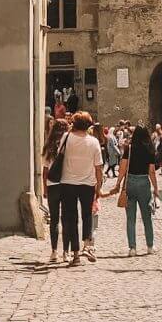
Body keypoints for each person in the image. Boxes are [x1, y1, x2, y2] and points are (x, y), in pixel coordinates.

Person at [59, 111, 103, 266]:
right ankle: (86, 245)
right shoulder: (94, 142)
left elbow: (59, 155)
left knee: (71, 218)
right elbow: (98, 167)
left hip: (68, 182)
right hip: (87, 184)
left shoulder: (66, 137)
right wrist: (99, 186)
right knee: (87, 215)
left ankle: (75, 254)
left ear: (74, 124)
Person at [111, 125, 160, 256]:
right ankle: (150, 246)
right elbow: (151, 171)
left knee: (130, 218)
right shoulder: (150, 149)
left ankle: (132, 248)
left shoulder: (129, 148)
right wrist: (156, 188)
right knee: (147, 217)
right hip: (144, 182)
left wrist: (118, 184)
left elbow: (123, 167)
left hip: (130, 183)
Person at [41, 118, 69, 264]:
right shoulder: (68, 145)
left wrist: (44, 188)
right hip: (66, 183)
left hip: (52, 184)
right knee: (66, 219)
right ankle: (66, 252)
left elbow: (45, 170)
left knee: (54, 220)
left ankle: (54, 251)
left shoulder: (49, 146)